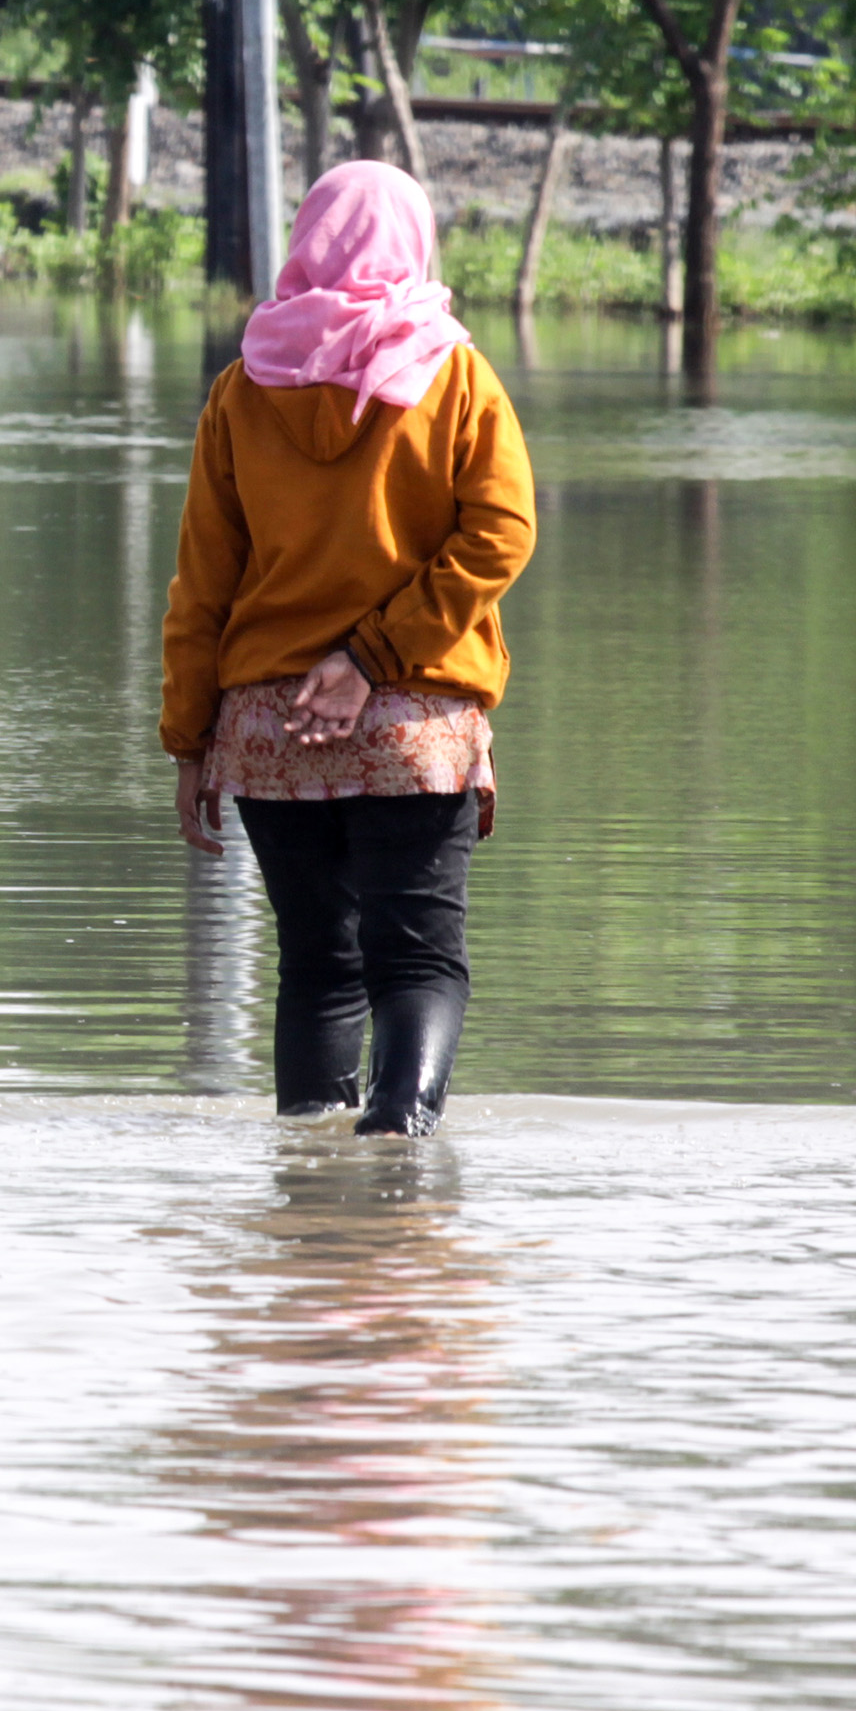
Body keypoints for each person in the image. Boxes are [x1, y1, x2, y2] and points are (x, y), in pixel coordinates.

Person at [163, 162, 537, 1135]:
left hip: (268, 726)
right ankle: (395, 1147)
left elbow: (202, 580)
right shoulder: (454, 376)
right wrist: (373, 658)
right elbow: (500, 532)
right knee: (415, 962)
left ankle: (310, 1183)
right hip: (410, 723)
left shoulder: (244, 388)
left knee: (315, 965)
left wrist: (186, 738)